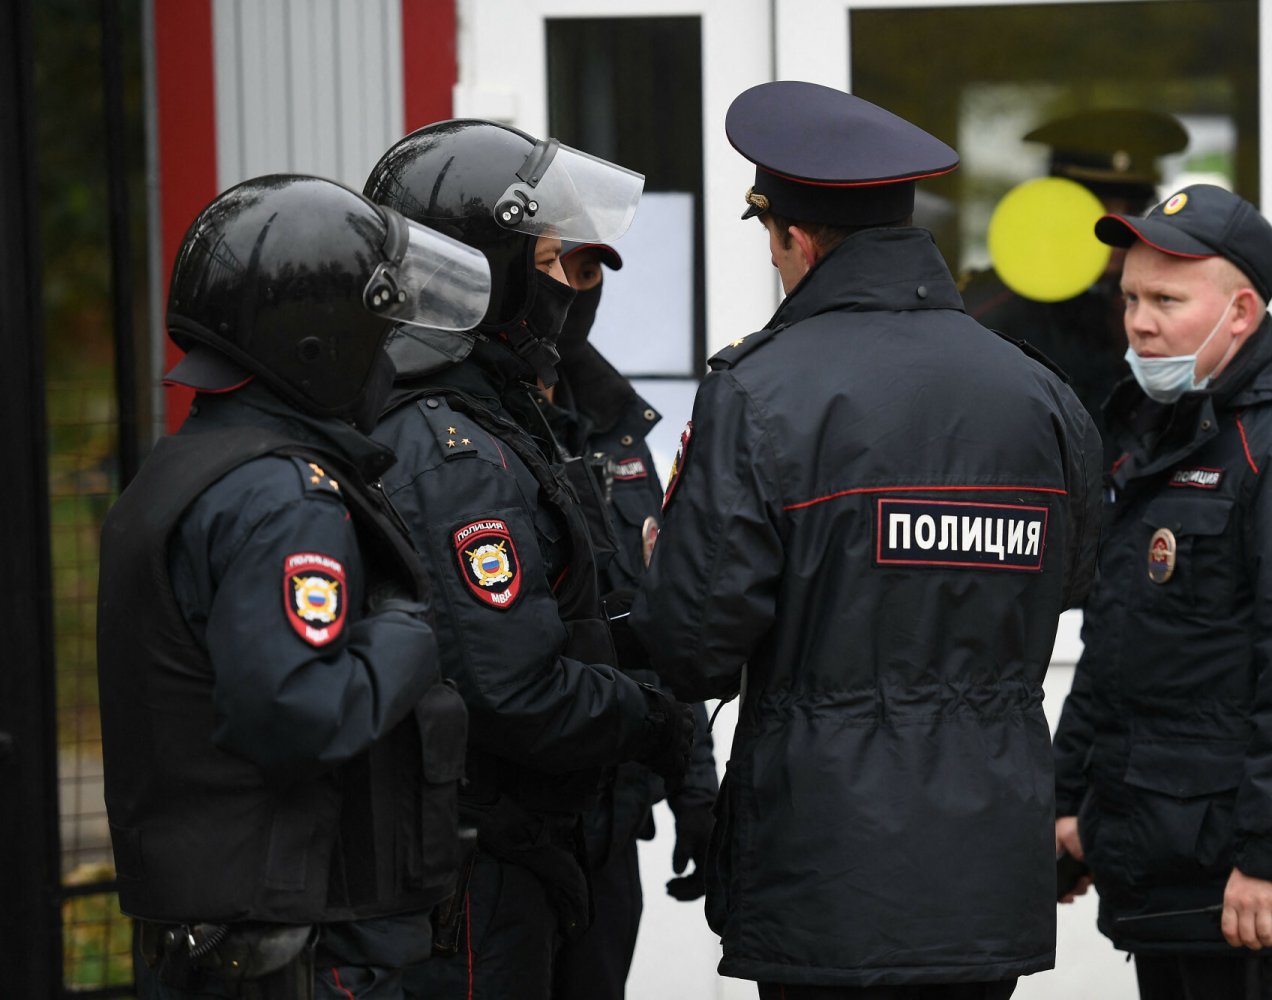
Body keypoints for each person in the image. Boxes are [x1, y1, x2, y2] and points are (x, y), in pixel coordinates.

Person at [630, 80, 1103, 998]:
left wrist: (666, 575)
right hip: (983, 872)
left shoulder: (759, 392)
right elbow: (1076, 579)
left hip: (826, 874)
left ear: (794, 237)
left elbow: (691, 651)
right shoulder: (1037, 392)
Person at [97, 174, 492, 998]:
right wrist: (404, 638)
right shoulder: (282, 497)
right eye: (376, 330)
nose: (387, 353)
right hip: (295, 953)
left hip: (212, 937)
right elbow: (292, 713)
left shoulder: (180, 471)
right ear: (319, 342)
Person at [359, 119, 697, 1000]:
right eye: (554, 263)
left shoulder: (504, 422)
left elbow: (574, 613)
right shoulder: (450, 448)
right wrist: (650, 718)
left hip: (545, 842)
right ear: (482, 267)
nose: (571, 294)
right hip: (477, 862)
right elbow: (512, 687)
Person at [1051, 184, 1272, 1000]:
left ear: (1240, 313)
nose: (1137, 320)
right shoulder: (1160, 432)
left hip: (1241, 882)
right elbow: (1120, 643)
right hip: (1156, 860)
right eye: (1130, 296)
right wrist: (1067, 802)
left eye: (1165, 299)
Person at [544, 240, 720, 1000]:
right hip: (503, 835)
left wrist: (696, 791)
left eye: (587, 274)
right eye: (556, 267)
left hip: (611, 826)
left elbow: (658, 615)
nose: (573, 291)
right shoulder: (453, 425)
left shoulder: (613, 426)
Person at [960, 108, 1189, 429]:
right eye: (1096, 209)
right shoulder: (996, 309)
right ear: (1058, 206)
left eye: (1134, 209)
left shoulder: (1155, 302)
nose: (1117, 229)